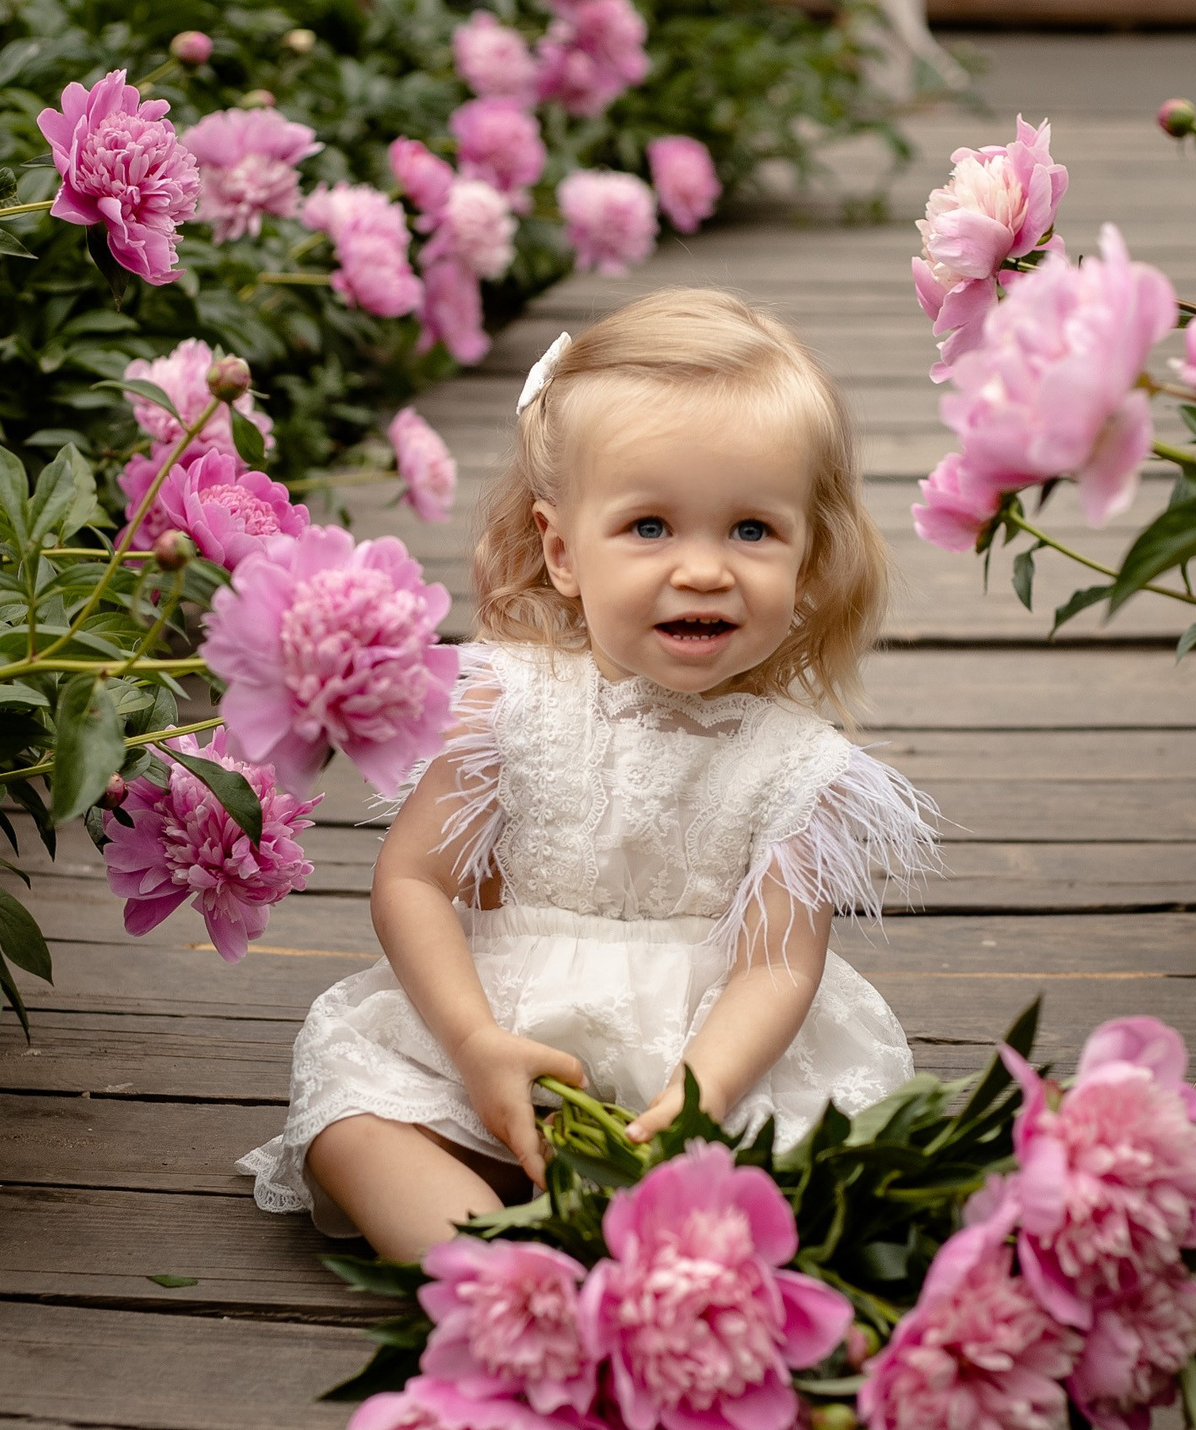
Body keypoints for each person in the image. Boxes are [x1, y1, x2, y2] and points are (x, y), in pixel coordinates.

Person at [237, 288, 938, 1260]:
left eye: (750, 530)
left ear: (809, 563)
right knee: (352, 1119)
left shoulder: (797, 769)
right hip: (508, 1030)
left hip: (699, 1065)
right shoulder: (505, 704)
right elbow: (414, 881)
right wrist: (476, 1043)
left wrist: (706, 1094)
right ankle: (497, 1270)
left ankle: (661, 1264)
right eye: (650, 526)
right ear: (562, 550)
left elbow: (778, 963)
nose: (703, 569)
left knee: (808, 1172)